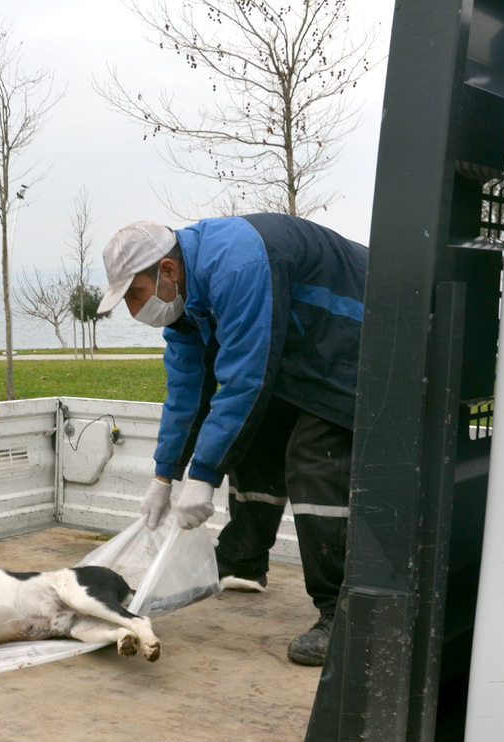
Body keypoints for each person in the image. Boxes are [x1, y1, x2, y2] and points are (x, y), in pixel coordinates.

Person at [98, 215, 366, 666]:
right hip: (304, 352)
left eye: (135, 295)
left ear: (167, 271)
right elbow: (186, 392)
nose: (133, 310)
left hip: (360, 336)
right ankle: (243, 560)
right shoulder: (186, 301)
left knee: (313, 460)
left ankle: (343, 613)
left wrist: (203, 475)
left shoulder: (236, 265)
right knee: (254, 434)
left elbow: (245, 378)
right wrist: (164, 475)